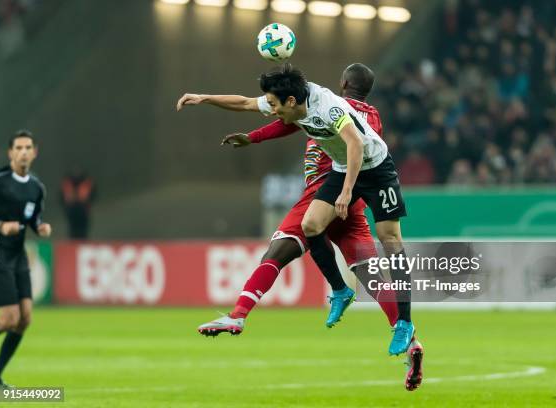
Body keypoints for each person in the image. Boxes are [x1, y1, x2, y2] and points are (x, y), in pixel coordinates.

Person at [180, 63, 423, 391]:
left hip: (353, 179)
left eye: (278, 105)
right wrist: (207, 99)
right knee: (365, 270)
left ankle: (239, 314)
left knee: (282, 250)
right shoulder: (305, 106)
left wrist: (348, 190)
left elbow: (354, 141)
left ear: (343, 83)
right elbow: (265, 112)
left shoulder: (335, 107)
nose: (273, 110)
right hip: (343, 189)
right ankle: (405, 337)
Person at [0, 130, 52, 389]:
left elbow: (33, 217)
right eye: (18, 147)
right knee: (7, 319)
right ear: (10, 153)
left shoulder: (36, 188)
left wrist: (40, 227)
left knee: (25, 318)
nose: (24, 152)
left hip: (17, 255)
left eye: (28, 147)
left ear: (35, 152)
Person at [60, 167, 96, 239]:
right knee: (73, 231)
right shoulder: (67, 184)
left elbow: (93, 195)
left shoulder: (87, 183)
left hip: (83, 210)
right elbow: (61, 197)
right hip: (72, 211)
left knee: (83, 231)